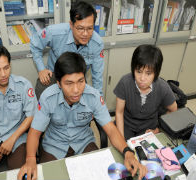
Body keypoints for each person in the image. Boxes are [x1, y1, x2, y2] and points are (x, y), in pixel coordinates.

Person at [18, 52, 147, 180]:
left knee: (100, 175)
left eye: (80, 81)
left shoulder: (93, 96)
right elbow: (34, 132)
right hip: (54, 145)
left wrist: (127, 152)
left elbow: (111, 129)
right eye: (69, 83)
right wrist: (30, 159)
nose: (76, 89)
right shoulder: (48, 98)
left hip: (84, 143)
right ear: (58, 83)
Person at [31, 1, 105, 99]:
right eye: (80, 28)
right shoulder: (55, 33)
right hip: (54, 77)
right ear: (71, 24)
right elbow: (35, 44)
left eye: (90, 28)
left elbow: (97, 78)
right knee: (45, 104)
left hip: (78, 80)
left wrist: (98, 102)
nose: (85, 34)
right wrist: (41, 69)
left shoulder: (97, 44)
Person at [114, 44, 177, 140]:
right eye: (138, 71)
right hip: (126, 124)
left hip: (148, 127)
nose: (142, 78)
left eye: (148, 73)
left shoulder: (162, 87)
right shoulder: (125, 82)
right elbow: (119, 112)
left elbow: (173, 110)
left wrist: (158, 129)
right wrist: (121, 140)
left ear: (156, 73)